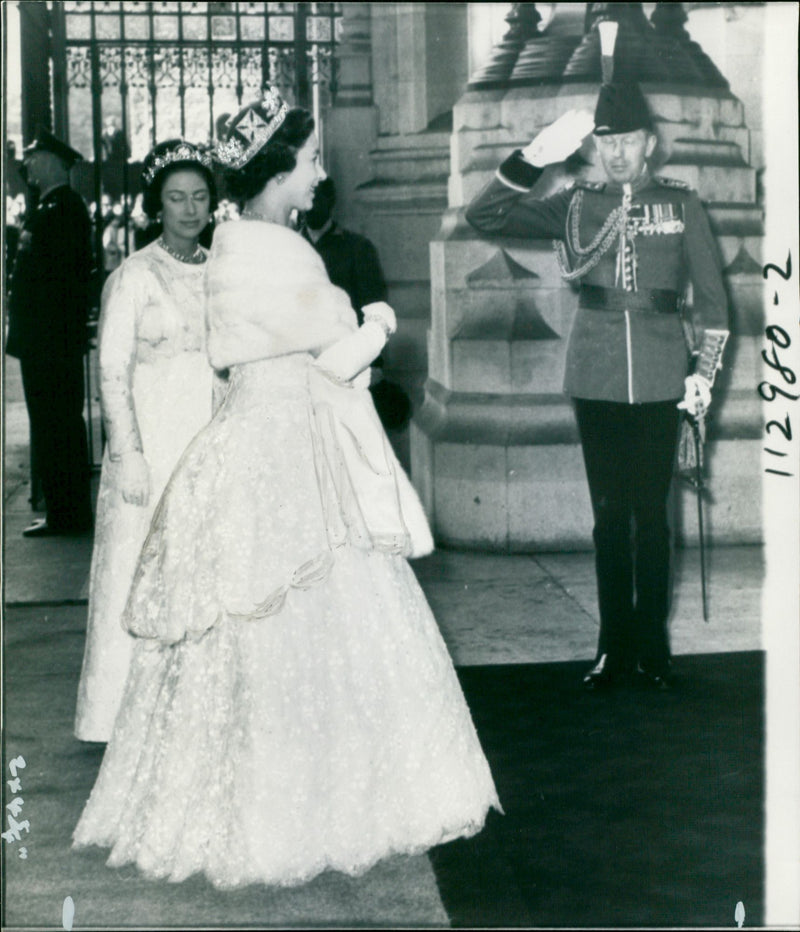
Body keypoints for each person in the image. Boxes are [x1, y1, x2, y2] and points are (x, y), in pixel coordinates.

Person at [73, 86, 500, 888]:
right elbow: (341, 359)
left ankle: (251, 797)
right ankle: (310, 804)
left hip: (251, 434)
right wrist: (379, 323)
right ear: (275, 172)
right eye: (308, 162)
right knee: (319, 608)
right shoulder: (279, 249)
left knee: (248, 621)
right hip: (290, 442)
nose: (318, 175)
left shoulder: (234, 245)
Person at [466, 46, 729, 692]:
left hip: (666, 373)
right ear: (595, 147)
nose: (616, 153)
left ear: (650, 145)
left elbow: (717, 304)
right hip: (596, 373)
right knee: (609, 518)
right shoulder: (576, 204)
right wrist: (535, 157)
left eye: (628, 140)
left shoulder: (683, 205)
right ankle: (614, 646)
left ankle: (652, 646)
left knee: (651, 514)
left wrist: (703, 377)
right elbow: (485, 215)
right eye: (605, 141)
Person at [73, 140, 219, 743]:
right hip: (151, 440)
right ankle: (120, 714)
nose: (189, 209)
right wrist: (127, 452)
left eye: (200, 197)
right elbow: (111, 370)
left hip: (206, 434)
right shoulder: (134, 274)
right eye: (177, 198)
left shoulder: (220, 268)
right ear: (156, 205)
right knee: (139, 563)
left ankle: (194, 706)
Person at [6, 128, 94, 537]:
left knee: (58, 425)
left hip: (51, 342)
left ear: (56, 163)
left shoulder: (64, 208)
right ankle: (63, 511)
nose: (28, 164)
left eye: (35, 157)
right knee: (52, 425)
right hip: (43, 341)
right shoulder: (49, 205)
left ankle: (68, 514)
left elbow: (64, 281)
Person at [303, 176, 412, 431]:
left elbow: (375, 311)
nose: (311, 207)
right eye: (310, 199)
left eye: (319, 200)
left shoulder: (357, 248)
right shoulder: (291, 246)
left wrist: (373, 366)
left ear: (331, 203)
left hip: (351, 365)